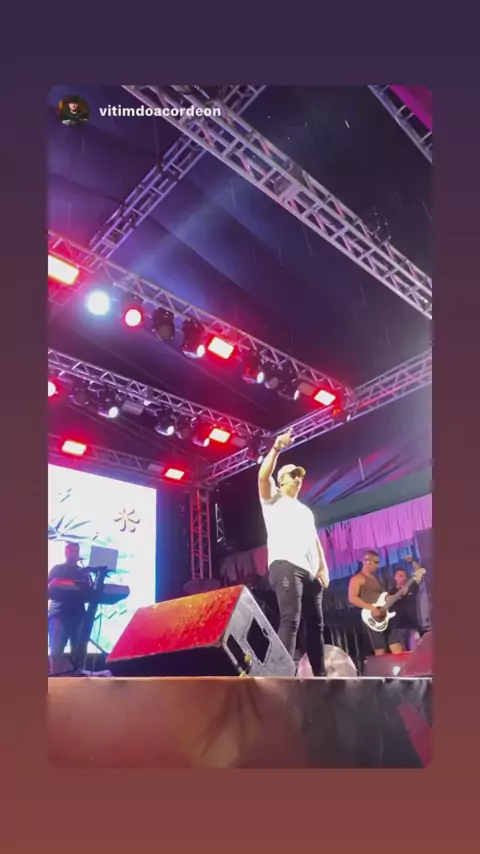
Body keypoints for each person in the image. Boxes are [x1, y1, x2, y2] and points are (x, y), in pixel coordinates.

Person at [258, 428, 329, 676]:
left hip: (310, 572)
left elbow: (315, 541)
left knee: (317, 625)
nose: (298, 479)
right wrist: (276, 449)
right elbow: (262, 477)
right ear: (281, 481)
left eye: (300, 476)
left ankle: (321, 677)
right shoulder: (273, 499)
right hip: (286, 565)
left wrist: (323, 568)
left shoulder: (305, 511)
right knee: (291, 619)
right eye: (293, 475)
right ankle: (282, 677)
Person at [348, 550, 405, 655]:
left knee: (397, 647)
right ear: (367, 561)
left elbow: (383, 597)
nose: (377, 565)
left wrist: (398, 595)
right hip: (372, 617)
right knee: (380, 650)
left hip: (385, 615)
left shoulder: (376, 578)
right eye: (376, 562)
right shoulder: (357, 578)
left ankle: (401, 666)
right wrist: (370, 608)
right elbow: (352, 598)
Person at [48, 542, 91, 674]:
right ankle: (54, 676)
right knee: (56, 650)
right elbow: (48, 589)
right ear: (66, 552)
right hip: (59, 613)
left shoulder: (83, 572)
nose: (74, 553)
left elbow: (90, 591)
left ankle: (78, 673)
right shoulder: (58, 569)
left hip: (78, 614)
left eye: (76, 551)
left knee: (78, 649)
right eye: (71, 551)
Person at [387, 557, 422, 650]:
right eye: (400, 576)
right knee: (402, 655)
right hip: (398, 628)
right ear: (395, 578)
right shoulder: (391, 592)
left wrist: (412, 561)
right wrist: (400, 594)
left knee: (416, 653)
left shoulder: (411, 587)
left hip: (412, 626)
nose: (404, 578)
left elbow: (420, 573)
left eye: (405, 575)